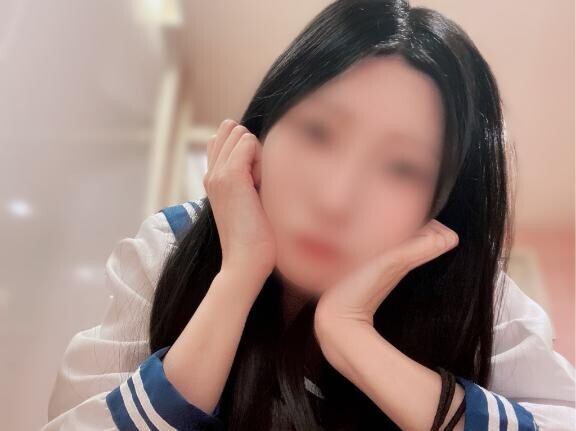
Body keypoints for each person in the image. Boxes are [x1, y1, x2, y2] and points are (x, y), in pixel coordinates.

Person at [43, 1, 576, 430]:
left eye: (402, 168)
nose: (336, 199)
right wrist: (238, 276)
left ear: (442, 200)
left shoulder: (475, 295)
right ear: (262, 129)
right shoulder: (172, 247)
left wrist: (352, 337)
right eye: (317, 132)